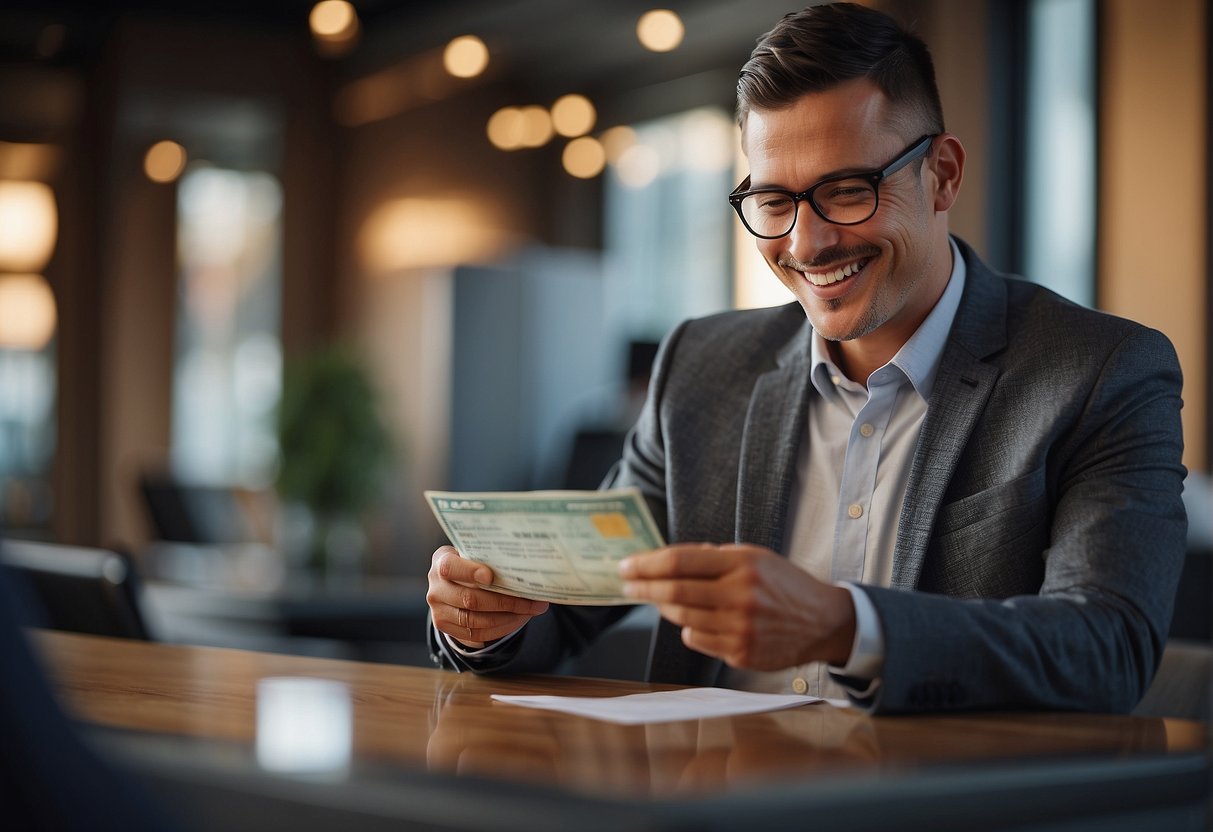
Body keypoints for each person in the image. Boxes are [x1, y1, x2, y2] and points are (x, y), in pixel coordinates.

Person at [425, 2, 1187, 713]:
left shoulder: (1100, 370)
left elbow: (1105, 647)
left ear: (943, 174)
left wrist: (842, 624)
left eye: (848, 190)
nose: (806, 243)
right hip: (708, 802)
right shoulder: (701, 365)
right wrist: (487, 614)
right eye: (773, 201)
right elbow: (573, 603)